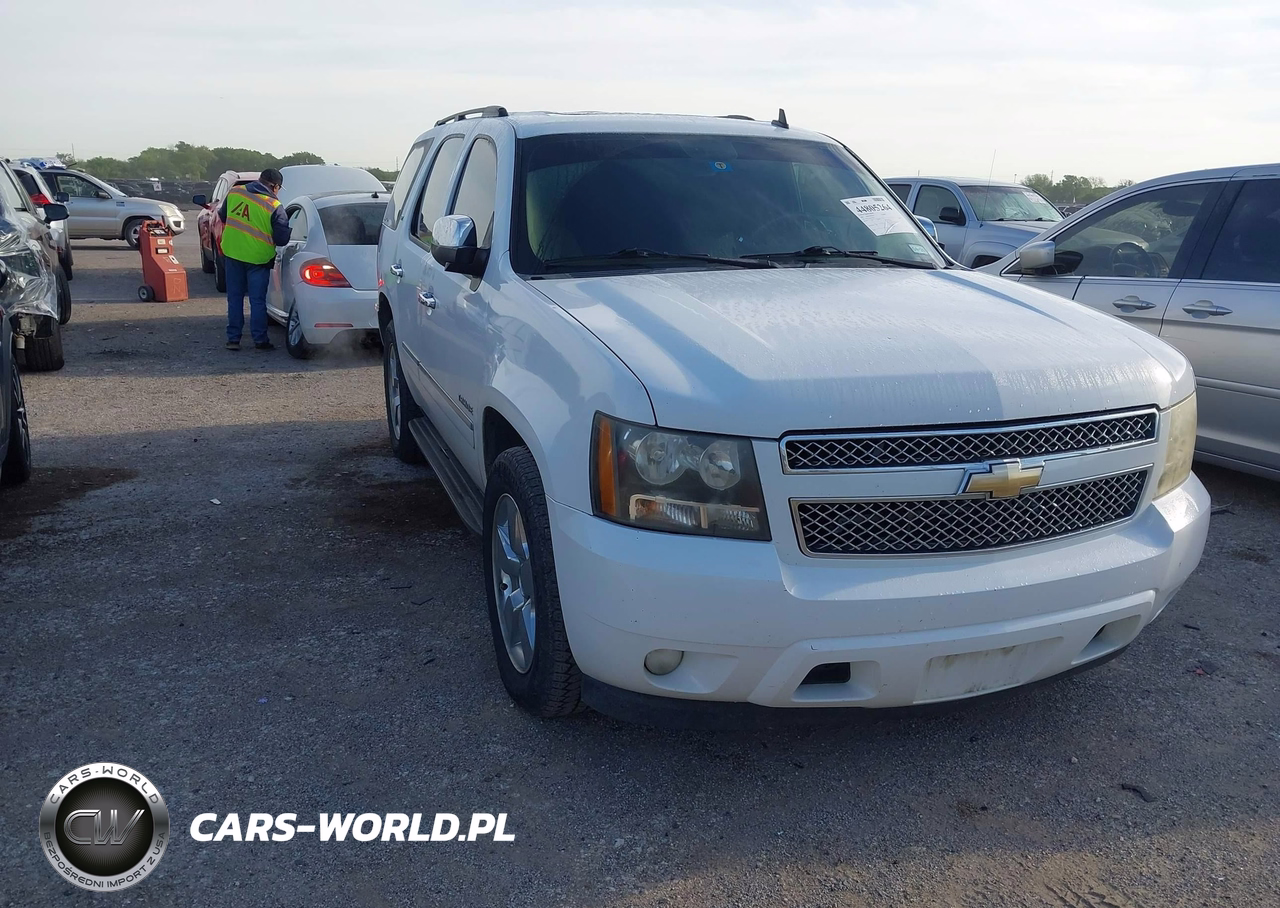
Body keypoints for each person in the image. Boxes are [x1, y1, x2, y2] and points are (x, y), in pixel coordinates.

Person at [218, 168, 291, 350]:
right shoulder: (274, 206)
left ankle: (233, 339)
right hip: (258, 259)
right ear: (275, 186)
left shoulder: (235, 192)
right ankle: (260, 340)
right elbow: (282, 239)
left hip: (233, 254)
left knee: (235, 299)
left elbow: (223, 216)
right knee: (257, 301)